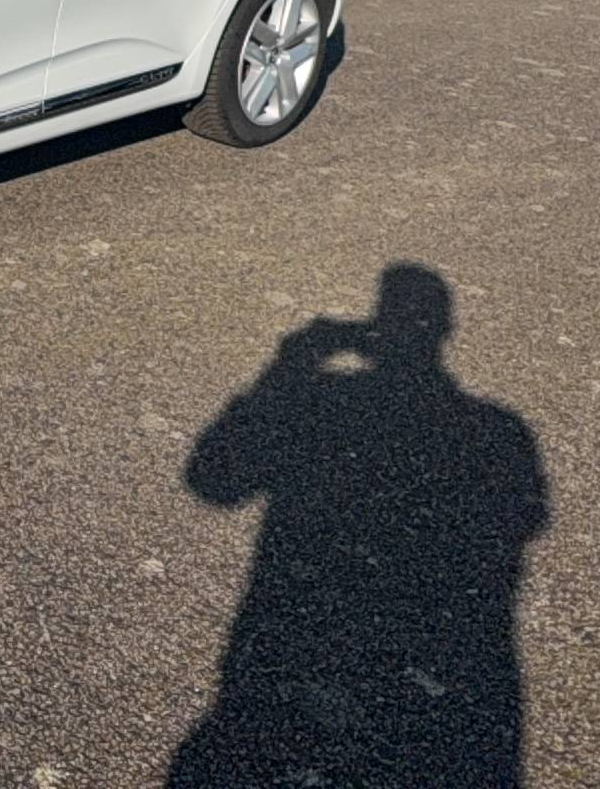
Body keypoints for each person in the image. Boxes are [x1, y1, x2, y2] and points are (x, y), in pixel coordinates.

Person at [170, 264, 549, 788]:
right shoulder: (500, 433)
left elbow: (215, 479)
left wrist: (292, 364)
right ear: (445, 331)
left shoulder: (322, 403)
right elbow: (524, 520)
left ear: (374, 328)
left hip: (295, 650)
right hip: (439, 675)